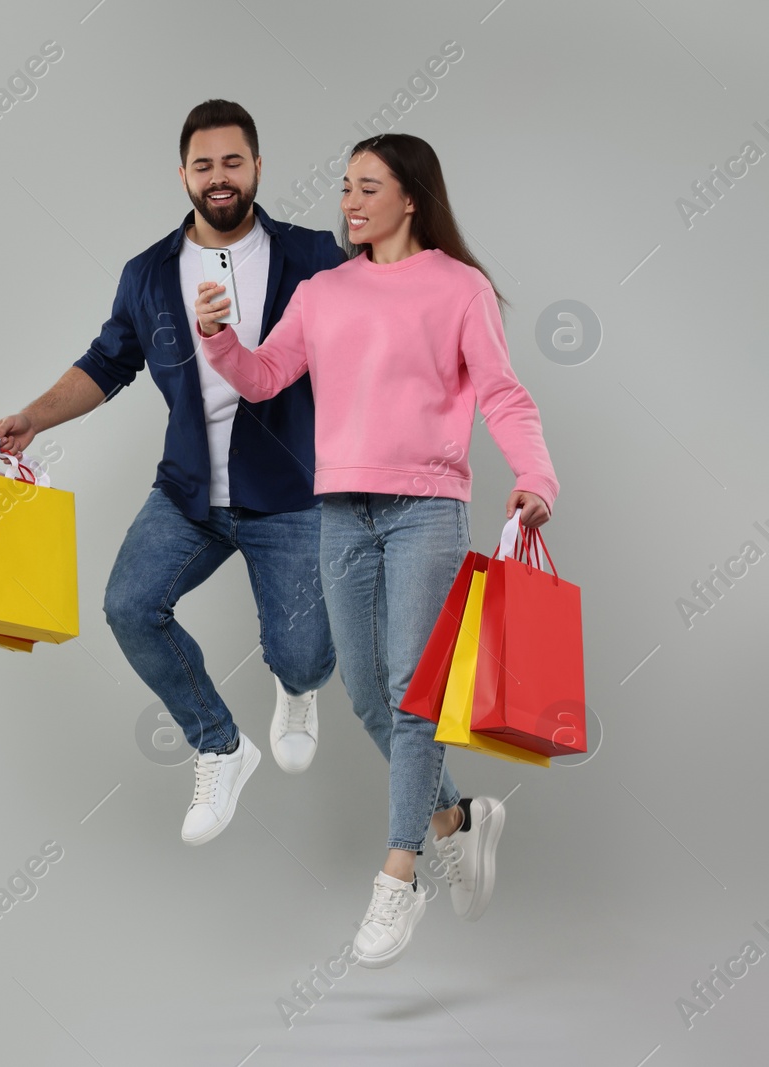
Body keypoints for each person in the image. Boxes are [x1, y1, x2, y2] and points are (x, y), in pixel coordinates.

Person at [194, 132, 559, 967]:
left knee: (411, 693)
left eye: (368, 187)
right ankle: (455, 817)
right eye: (345, 187)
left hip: (426, 509)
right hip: (340, 511)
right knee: (365, 692)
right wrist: (218, 339)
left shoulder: (459, 288)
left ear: (411, 198)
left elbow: (504, 394)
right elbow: (261, 377)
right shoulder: (325, 292)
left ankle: (399, 876)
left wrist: (536, 474)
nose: (350, 201)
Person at [0, 100, 341, 848]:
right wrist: (34, 417)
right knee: (128, 606)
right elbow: (107, 362)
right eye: (204, 165)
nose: (219, 178)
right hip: (188, 494)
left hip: (289, 497)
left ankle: (296, 686)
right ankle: (219, 744)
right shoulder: (148, 274)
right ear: (183, 174)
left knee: (305, 655)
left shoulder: (312, 255)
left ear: (257, 168)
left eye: (233, 162)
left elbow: (377, 337)